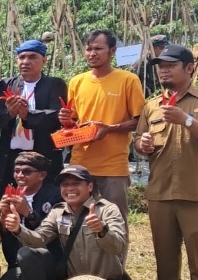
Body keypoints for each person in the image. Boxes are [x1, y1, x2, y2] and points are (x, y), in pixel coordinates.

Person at [135, 45, 198, 280]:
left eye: (170, 65)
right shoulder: (152, 106)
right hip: (160, 191)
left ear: (190, 68)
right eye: (160, 66)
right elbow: (140, 143)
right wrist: (141, 145)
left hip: (197, 191)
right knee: (163, 249)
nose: (163, 70)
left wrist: (186, 120)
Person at [0, 165, 135, 280]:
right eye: (65, 184)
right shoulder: (58, 212)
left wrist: (102, 230)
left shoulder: (107, 209)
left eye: (76, 183)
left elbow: (118, 246)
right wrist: (18, 229)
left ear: (90, 186)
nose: (70, 188)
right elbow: (39, 239)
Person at [58, 30, 145, 228]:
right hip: (80, 164)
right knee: (78, 223)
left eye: (98, 48)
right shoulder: (77, 82)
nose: (92, 53)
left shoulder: (128, 80)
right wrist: (65, 121)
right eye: (88, 49)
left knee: (114, 223)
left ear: (112, 50)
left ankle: (115, 260)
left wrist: (109, 128)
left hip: (113, 166)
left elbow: (140, 121)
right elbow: (72, 123)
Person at [0, 40, 67, 198]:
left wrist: (27, 115)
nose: (26, 62)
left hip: (43, 152)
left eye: (32, 57)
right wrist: (10, 113)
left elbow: (56, 115)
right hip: (12, 154)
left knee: (45, 199)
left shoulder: (55, 84)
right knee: (10, 199)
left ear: (44, 60)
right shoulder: (6, 84)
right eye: (22, 57)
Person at [0, 151, 63, 269]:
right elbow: (5, 235)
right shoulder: (12, 193)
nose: (20, 175)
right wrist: (4, 214)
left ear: (42, 175)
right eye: (17, 171)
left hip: (48, 262)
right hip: (17, 263)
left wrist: (27, 212)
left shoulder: (55, 196)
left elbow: (50, 235)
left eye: (27, 172)